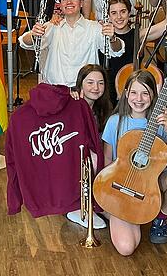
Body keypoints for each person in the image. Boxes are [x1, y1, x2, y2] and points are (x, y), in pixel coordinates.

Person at [102, 70, 167, 254]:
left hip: (150, 184)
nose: (139, 98)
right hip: (123, 186)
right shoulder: (115, 122)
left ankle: (160, 218)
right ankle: (112, 213)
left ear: (153, 95)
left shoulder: (163, 122)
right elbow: (106, 160)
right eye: (134, 92)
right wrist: (110, 197)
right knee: (126, 248)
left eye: (145, 93)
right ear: (126, 93)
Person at [18, 0, 123, 87]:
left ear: (81, 3)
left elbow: (117, 51)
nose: (69, 2)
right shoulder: (53, 26)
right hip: (55, 89)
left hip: (83, 92)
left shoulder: (94, 28)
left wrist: (113, 39)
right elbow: (24, 42)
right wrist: (33, 34)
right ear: (60, 5)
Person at [66, 64, 112, 229]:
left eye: (100, 83)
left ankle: (100, 202)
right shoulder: (72, 103)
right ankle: (79, 206)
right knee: (93, 159)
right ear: (80, 85)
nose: (96, 87)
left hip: (97, 152)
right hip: (73, 155)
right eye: (90, 82)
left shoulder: (104, 108)